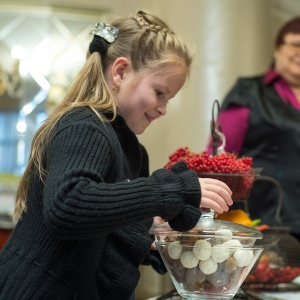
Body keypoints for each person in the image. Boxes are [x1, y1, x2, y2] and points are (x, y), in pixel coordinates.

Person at [0, 11, 233, 300]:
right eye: (159, 92)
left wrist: (152, 236)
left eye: (168, 99)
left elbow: (103, 224)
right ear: (120, 72)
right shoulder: (85, 125)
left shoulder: (131, 150)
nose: (162, 109)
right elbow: (69, 205)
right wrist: (171, 189)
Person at [206, 16, 300, 242]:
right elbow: (219, 158)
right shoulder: (249, 92)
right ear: (277, 49)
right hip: (267, 220)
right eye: (296, 44)